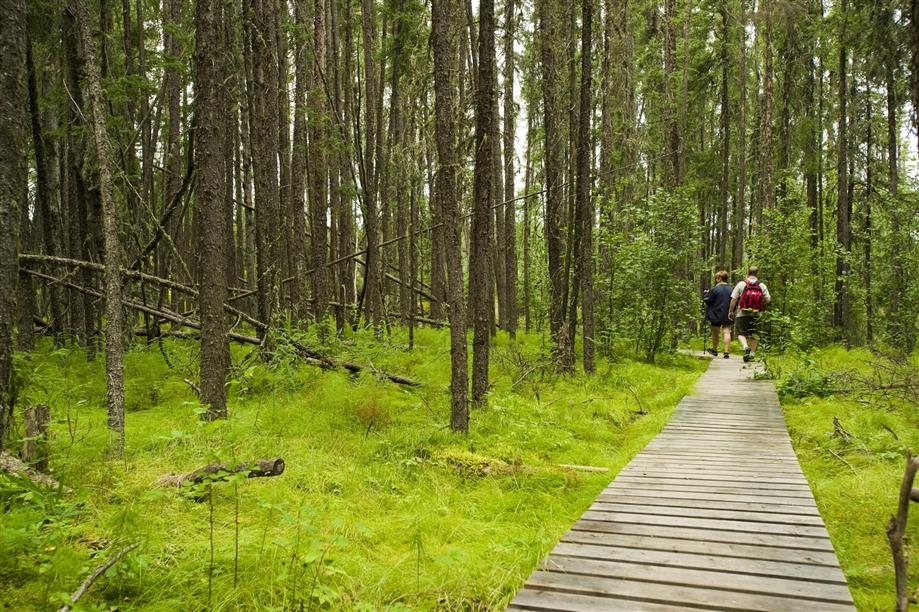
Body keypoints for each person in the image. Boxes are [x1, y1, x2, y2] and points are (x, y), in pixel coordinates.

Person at [728, 266, 771, 362]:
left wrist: (730, 311)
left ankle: (745, 346)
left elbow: (734, 299)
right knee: (754, 334)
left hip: (742, 313)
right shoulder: (762, 285)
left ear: (747, 273)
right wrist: (759, 302)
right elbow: (768, 299)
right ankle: (752, 354)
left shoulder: (741, 284)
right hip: (756, 314)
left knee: (740, 333)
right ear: (757, 274)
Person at [703, 270, 733, 358]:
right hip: (727, 313)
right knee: (727, 331)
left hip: (716, 313)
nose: (716, 280)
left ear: (719, 278)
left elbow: (707, 300)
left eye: (716, 278)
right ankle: (726, 352)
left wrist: (705, 294)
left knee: (715, 333)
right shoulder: (731, 289)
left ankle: (715, 350)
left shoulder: (715, 289)